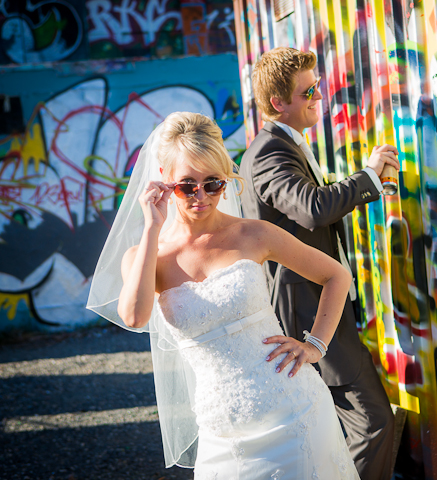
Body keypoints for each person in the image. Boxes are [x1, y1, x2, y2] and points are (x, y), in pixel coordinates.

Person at [87, 112, 360, 479]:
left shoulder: (254, 234)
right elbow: (134, 316)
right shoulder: (144, 257)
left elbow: (335, 275)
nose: (201, 196)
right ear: (164, 180)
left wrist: (315, 345)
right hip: (221, 432)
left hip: (295, 414)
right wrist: (152, 227)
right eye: (187, 185)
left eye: (212, 184)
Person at [239, 47, 400, 480]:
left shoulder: (282, 144)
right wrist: (367, 178)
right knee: (372, 422)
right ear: (278, 102)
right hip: (306, 313)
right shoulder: (269, 152)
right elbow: (311, 208)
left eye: (318, 86)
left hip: (315, 305)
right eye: (309, 90)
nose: (318, 96)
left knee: (329, 430)